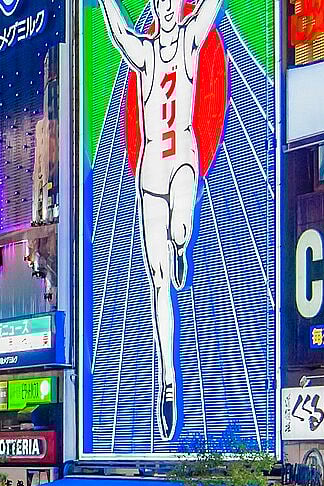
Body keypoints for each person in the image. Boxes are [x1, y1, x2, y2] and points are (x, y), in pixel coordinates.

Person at [97, 0, 220, 438]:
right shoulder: (146, 56)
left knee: (182, 217)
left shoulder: (189, 42)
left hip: (182, 159)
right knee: (157, 283)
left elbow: (210, 10)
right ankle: (168, 382)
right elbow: (117, 33)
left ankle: (182, 240)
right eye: (160, 2)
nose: (167, 8)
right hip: (148, 173)